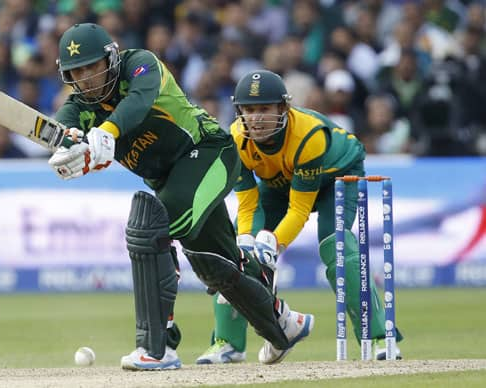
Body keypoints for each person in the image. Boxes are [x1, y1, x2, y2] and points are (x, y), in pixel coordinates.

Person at [46, 23, 314, 371]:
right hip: (170, 180)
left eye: (92, 67)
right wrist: (74, 155)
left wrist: (107, 131)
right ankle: (283, 324)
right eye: (76, 72)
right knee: (214, 265)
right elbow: (65, 136)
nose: (86, 79)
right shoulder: (76, 109)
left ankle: (158, 348)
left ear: (110, 59)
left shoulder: (141, 64)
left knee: (150, 229)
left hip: (209, 153)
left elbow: (139, 102)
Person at [196, 69, 403, 364]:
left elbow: (299, 210)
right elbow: (248, 204)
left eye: (265, 109)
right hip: (280, 181)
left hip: (337, 177)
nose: (256, 118)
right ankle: (228, 342)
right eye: (249, 110)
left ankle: (381, 337)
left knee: (336, 246)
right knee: (232, 252)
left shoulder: (308, 135)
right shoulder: (237, 139)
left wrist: (274, 244)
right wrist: (244, 244)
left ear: (283, 108)